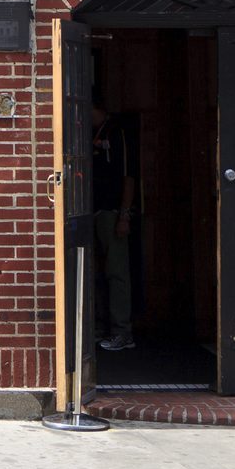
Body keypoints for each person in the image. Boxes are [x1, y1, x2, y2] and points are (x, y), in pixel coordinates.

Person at [91, 103, 138, 351]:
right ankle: (100, 328)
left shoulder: (118, 131)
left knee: (117, 272)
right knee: (95, 272)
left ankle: (122, 332)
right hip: (92, 211)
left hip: (111, 211)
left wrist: (124, 215)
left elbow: (128, 176)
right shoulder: (89, 132)